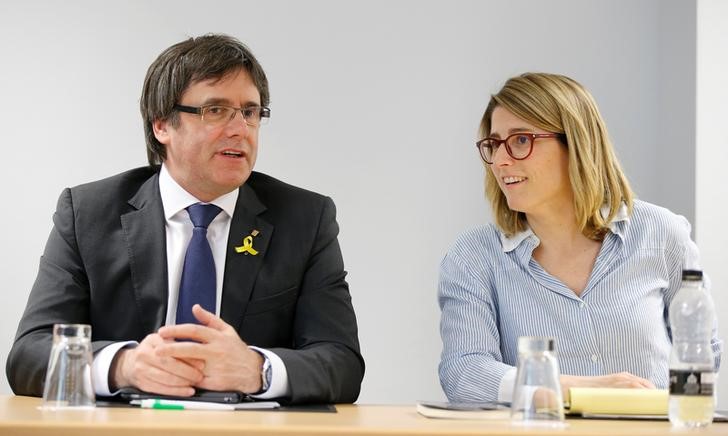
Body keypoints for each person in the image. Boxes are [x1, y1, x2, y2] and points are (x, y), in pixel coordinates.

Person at [7, 33, 364, 404]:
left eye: (251, 112)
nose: (240, 129)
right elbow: (29, 354)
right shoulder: (88, 214)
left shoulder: (304, 219)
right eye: (216, 110)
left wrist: (258, 369)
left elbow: (342, 363)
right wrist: (124, 366)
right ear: (162, 125)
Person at [438, 72, 722, 402]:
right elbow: (464, 373)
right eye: (494, 144)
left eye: (520, 140)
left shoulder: (661, 233)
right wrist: (579, 390)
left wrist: (669, 415)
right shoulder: (473, 257)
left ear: (576, 144)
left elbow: (703, 355)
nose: (500, 161)